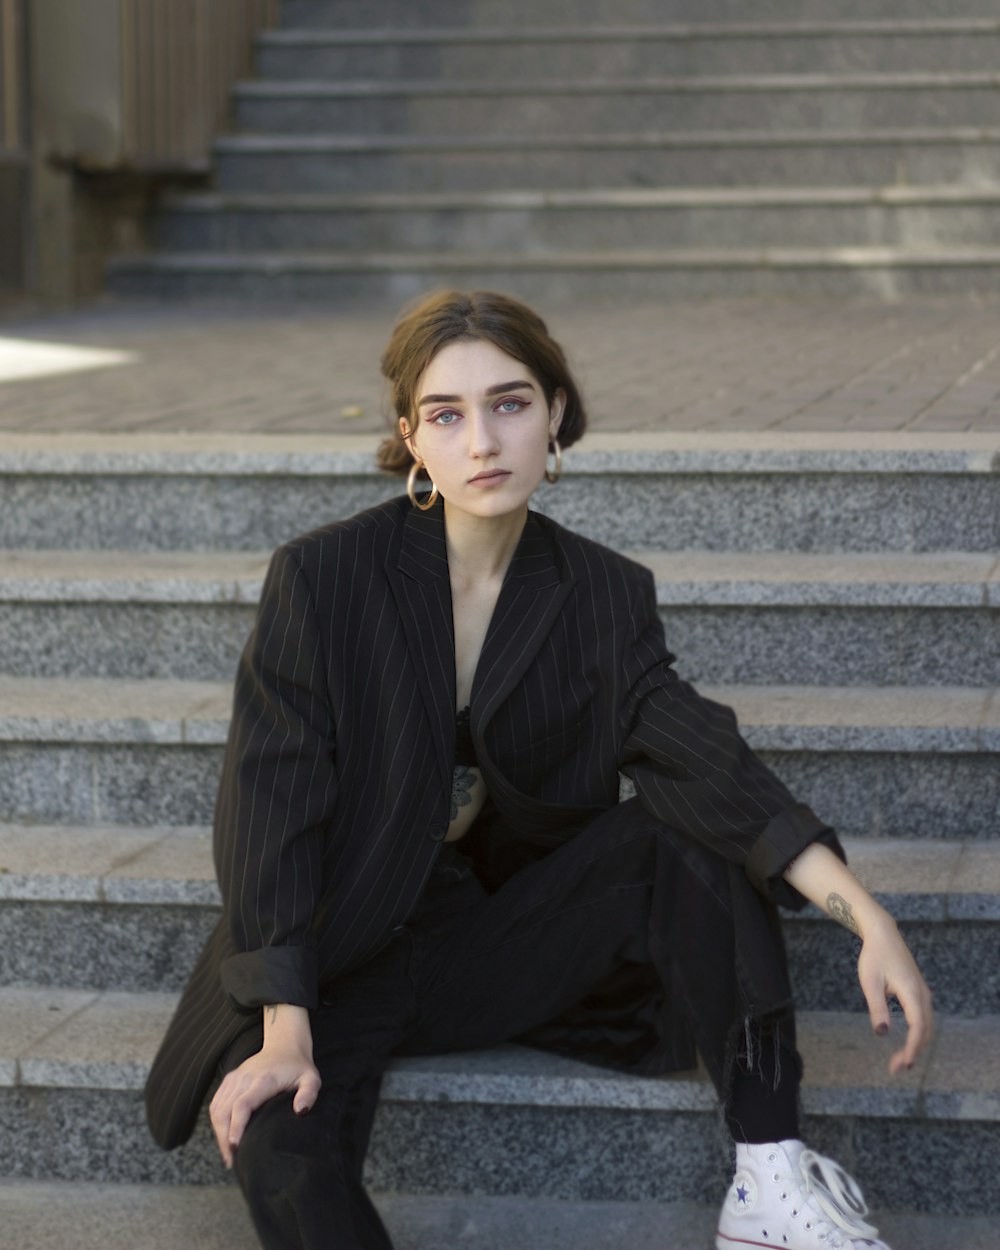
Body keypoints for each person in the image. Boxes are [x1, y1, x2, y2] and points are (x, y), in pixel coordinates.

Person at [145, 289, 933, 1250]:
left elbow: (704, 761)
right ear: (412, 440)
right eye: (449, 414)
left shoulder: (600, 593)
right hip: (331, 950)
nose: (484, 440)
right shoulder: (325, 581)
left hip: (490, 940)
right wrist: (285, 1023)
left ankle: (768, 1174)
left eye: (511, 404)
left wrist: (866, 913)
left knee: (676, 835)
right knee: (277, 1146)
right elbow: (269, 810)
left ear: (555, 415)